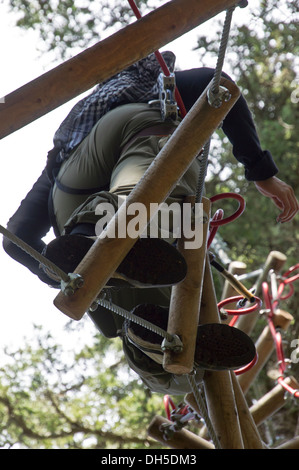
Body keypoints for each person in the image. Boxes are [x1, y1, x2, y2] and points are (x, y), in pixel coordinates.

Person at [3, 53, 298, 395]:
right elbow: (218, 83)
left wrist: (58, 272)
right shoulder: (156, 85)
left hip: (68, 183)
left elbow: (16, 238)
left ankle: (98, 254)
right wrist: (261, 171)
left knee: (152, 317)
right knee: (158, 192)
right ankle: (153, 338)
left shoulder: (77, 123)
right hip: (141, 129)